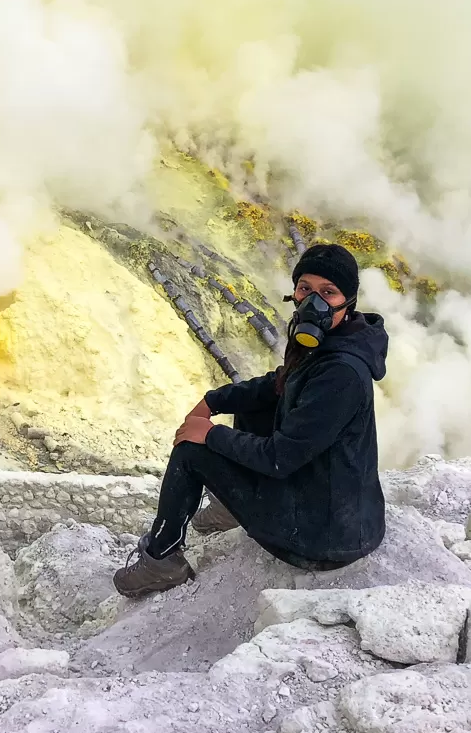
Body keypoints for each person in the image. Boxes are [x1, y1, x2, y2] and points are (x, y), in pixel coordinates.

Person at [114, 243, 387, 596]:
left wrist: (208, 434)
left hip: (323, 541)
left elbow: (279, 458)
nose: (312, 302)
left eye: (328, 292)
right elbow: (280, 384)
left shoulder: (341, 374)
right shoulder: (337, 342)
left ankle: (160, 560)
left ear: (348, 301)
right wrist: (213, 401)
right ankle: (230, 507)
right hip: (339, 513)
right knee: (251, 405)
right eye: (305, 288)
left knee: (191, 452)